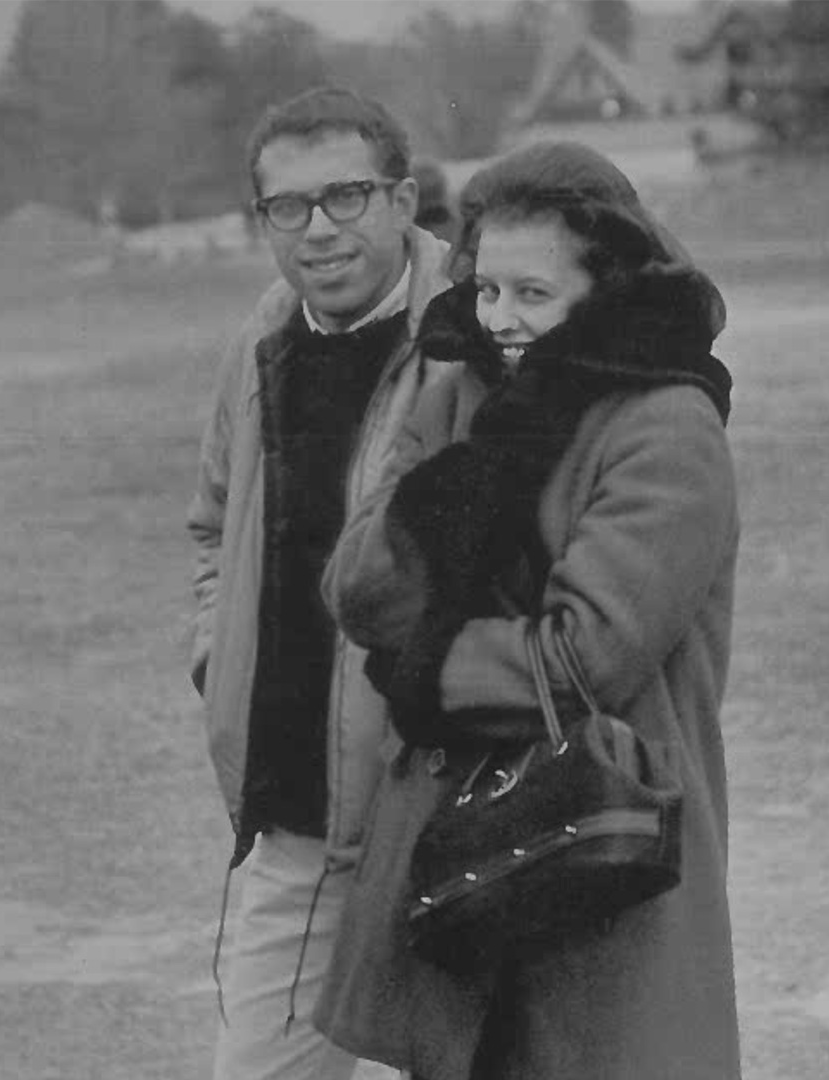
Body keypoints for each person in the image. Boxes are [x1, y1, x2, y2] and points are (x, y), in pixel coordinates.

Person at [318, 141, 741, 1079]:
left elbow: (587, 657)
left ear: (608, 290)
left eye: (533, 295)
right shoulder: (457, 391)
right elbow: (356, 588)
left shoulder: (667, 428)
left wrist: (427, 663)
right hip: (463, 867)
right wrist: (465, 482)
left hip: (602, 863)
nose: (498, 319)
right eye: (485, 289)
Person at [186, 83, 454, 1080]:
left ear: (401, 197)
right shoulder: (262, 340)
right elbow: (213, 522)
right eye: (287, 208)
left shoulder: (478, 331)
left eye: (345, 196)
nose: (319, 232)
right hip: (296, 817)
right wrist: (217, 654)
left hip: (444, 811)